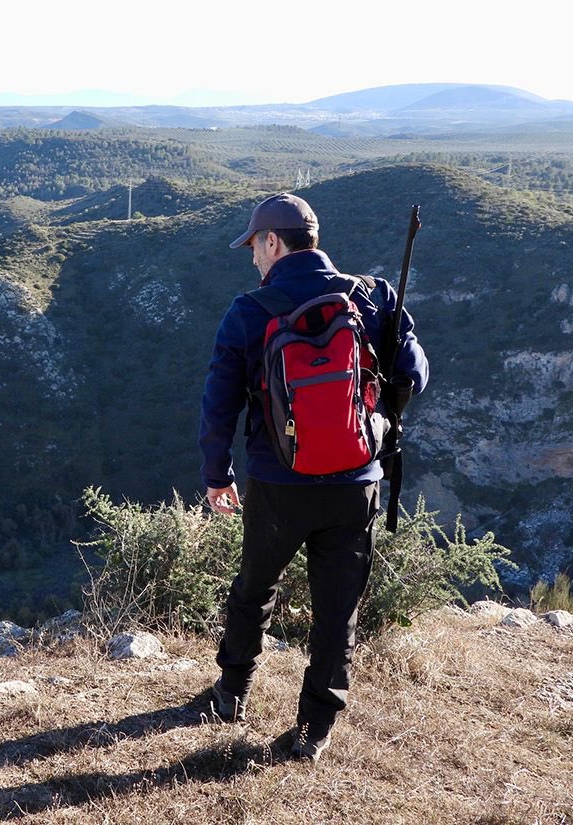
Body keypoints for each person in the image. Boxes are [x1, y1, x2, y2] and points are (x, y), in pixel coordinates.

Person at [198, 192, 429, 761]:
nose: (253, 257)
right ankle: (313, 731)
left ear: (273, 242)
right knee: (337, 607)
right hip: (356, 482)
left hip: (280, 482)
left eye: (255, 245)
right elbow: (414, 376)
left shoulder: (250, 311)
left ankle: (230, 695)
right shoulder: (374, 297)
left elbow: (219, 404)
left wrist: (217, 474)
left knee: (254, 589)